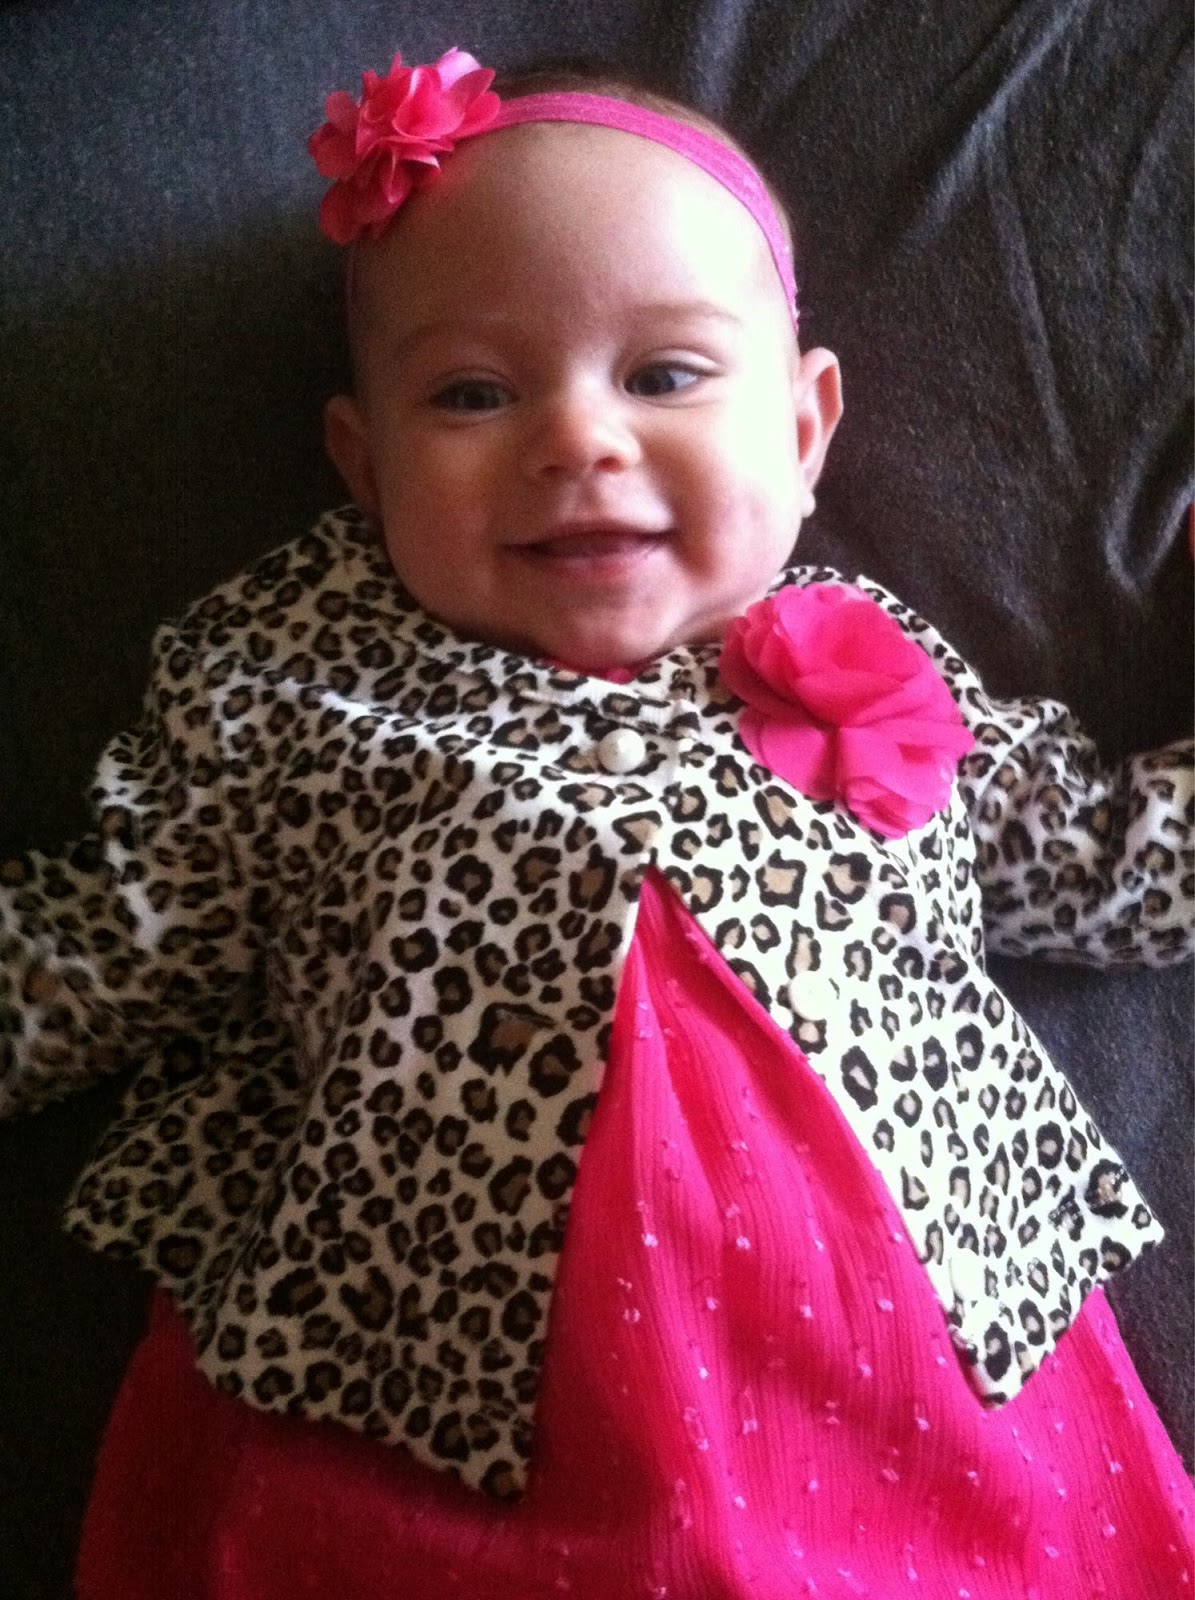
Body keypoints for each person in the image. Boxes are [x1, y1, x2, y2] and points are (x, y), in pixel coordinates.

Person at [1, 47, 1191, 1600]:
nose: (577, 438)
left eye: (665, 376)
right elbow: (106, 944)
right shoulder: (298, 684)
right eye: (471, 394)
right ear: (363, 464)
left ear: (805, 429)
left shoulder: (879, 668)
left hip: (910, 1393)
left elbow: (1109, 865)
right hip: (410, 1395)